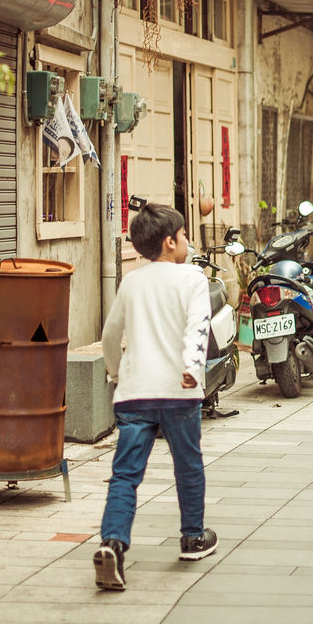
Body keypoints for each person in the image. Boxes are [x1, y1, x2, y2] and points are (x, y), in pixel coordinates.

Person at [94, 202, 218, 592]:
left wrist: (116, 373)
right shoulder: (193, 278)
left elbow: (110, 336)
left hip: (134, 393)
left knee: (125, 475)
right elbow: (198, 327)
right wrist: (191, 367)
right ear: (169, 242)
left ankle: (113, 543)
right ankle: (193, 538)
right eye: (184, 235)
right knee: (188, 465)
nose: (188, 241)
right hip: (179, 390)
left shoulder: (131, 282)